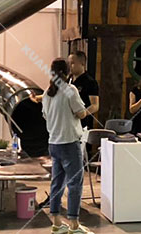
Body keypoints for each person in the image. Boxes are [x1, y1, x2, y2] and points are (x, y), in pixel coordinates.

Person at [42, 58, 94, 234]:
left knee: (57, 183)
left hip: (53, 143)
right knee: (75, 184)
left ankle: (57, 223)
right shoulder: (70, 90)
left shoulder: (47, 93)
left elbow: (45, 115)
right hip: (69, 143)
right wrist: (86, 110)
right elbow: (81, 113)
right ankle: (74, 225)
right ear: (67, 72)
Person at [68, 51, 99, 130]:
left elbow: (95, 105)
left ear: (82, 63)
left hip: (83, 124)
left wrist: (82, 113)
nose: (70, 66)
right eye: (69, 63)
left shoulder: (90, 82)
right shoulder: (67, 80)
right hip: (68, 124)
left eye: (72, 63)